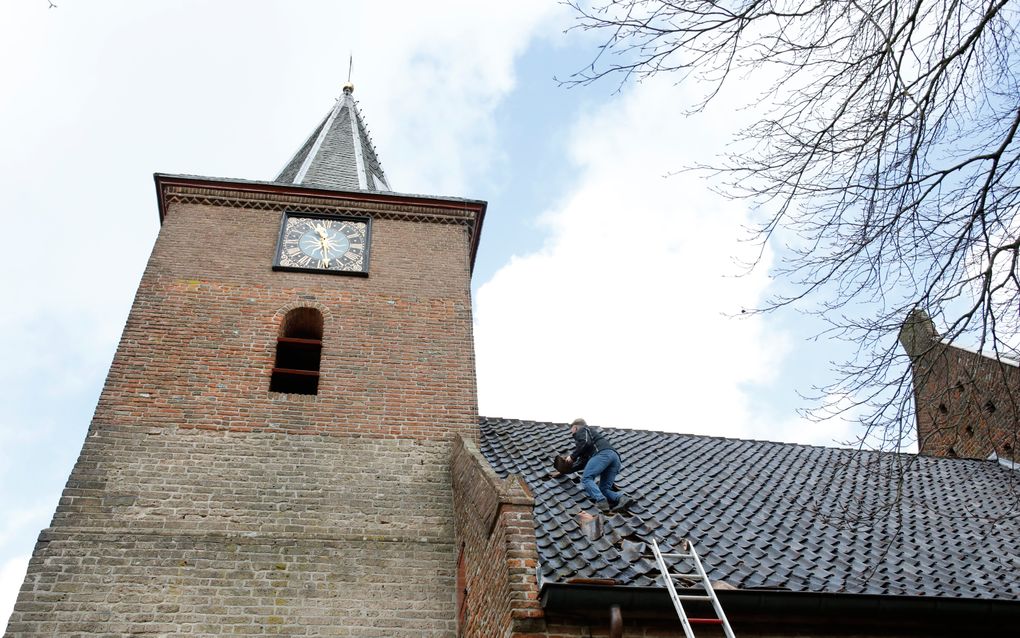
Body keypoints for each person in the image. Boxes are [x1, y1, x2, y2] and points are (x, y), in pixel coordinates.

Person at [561, 418, 631, 513]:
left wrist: (572, 457)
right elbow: (582, 462)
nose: (571, 433)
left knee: (586, 479)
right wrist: (566, 470)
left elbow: (584, 442)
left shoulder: (583, 429)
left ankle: (601, 501)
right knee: (604, 489)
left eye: (571, 430)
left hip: (602, 455)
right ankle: (622, 498)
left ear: (575, 427)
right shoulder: (590, 439)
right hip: (615, 458)